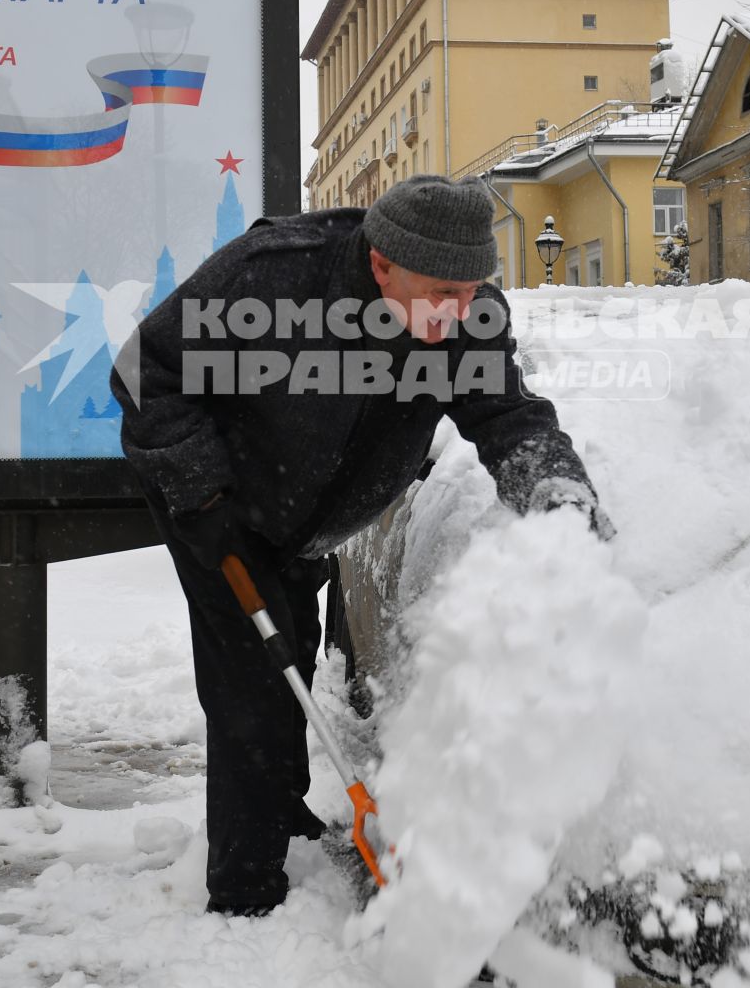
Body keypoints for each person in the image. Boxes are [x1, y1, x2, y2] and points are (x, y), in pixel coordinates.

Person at [110, 174, 610, 917]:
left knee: (293, 651)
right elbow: (143, 371)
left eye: (472, 292)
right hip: (225, 497)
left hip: (318, 510)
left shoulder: (466, 316)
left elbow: (508, 415)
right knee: (253, 676)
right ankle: (245, 888)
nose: (457, 312)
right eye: (441, 292)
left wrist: (556, 491)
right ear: (382, 265)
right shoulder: (269, 280)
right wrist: (201, 493)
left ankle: (279, 814)